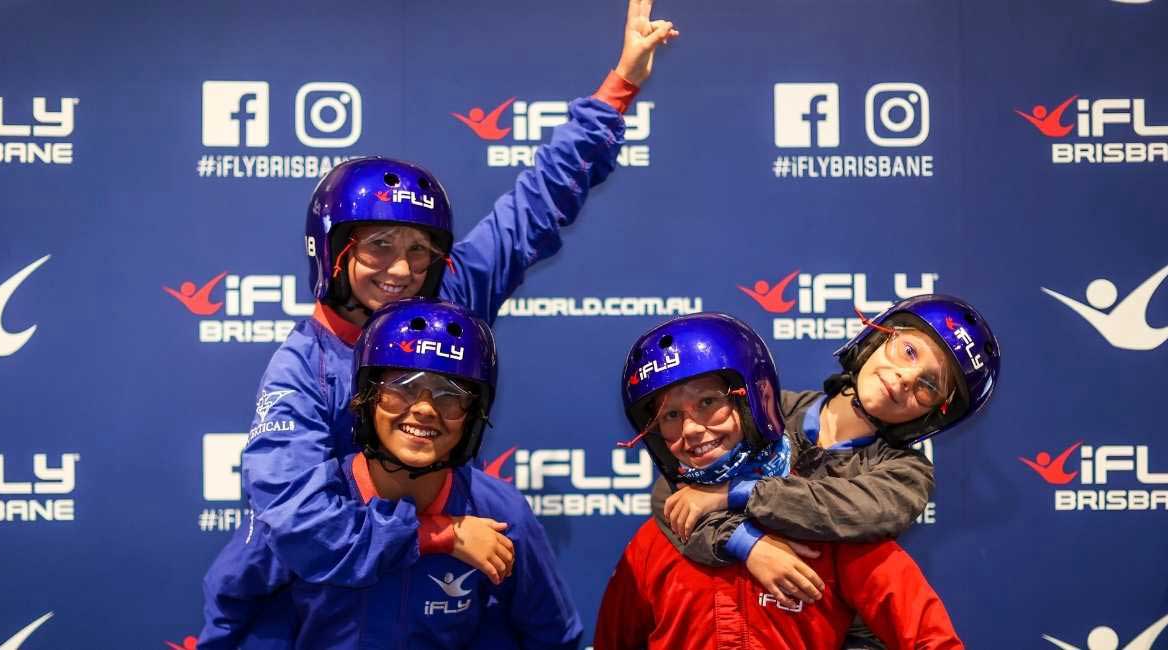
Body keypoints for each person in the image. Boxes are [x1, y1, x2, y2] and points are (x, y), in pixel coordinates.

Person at [201, 4, 678, 645]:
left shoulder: (446, 299)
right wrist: (443, 535)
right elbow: (304, 530)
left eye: (418, 250)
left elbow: (532, 207)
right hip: (333, 608)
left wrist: (618, 86)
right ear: (335, 253)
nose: (400, 271)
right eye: (378, 248)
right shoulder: (300, 370)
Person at [594, 312, 965, 649]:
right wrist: (746, 543)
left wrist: (734, 494)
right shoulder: (655, 543)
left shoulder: (855, 530)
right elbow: (676, 496)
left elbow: (857, 515)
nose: (903, 378)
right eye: (908, 352)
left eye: (928, 385)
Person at [249, 299, 580, 648]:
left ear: (472, 416)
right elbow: (236, 614)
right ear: (367, 397)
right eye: (402, 386)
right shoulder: (308, 505)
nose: (424, 408)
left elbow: (553, 638)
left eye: (449, 395)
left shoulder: (503, 515)